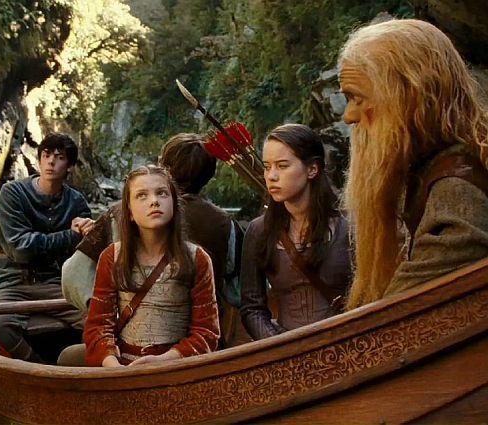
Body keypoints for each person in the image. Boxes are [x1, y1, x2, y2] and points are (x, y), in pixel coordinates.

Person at [338, 18, 488, 310]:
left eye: (356, 98)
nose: (349, 116)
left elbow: (396, 320)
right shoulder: (431, 173)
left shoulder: (456, 188)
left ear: (410, 96)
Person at [61, 133, 243, 347]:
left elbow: (72, 275)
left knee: (67, 356)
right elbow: (237, 294)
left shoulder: (121, 213)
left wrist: (110, 310)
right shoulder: (225, 224)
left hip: (130, 346)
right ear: (209, 175)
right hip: (202, 350)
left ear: (163, 167)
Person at [77, 164, 219, 367]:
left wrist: (163, 361)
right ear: (129, 211)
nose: (154, 201)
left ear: (174, 203)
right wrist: (114, 366)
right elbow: (98, 326)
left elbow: (206, 332)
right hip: (122, 366)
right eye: (142, 195)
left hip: (175, 367)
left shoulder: (197, 258)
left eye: (162, 193)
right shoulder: (113, 256)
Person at [0, 132, 95, 362]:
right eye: (46, 155)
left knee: (98, 318)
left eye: (59, 157)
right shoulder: (12, 193)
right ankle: (35, 366)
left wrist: (90, 234)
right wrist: (70, 235)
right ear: (39, 159)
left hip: (53, 281)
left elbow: (83, 255)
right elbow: (20, 249)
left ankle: (82, 365)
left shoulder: (76, 202)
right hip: (12, 280)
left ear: (69, 166)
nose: (51, 162)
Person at [239, 124, 352, 340]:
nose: (271, 176)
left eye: (282, 166)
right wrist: (276, 343)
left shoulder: (348, 226)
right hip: (284, 346)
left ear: (312, 169)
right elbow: (252, 307)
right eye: (267, 167)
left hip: (345, 342)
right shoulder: (259, 230)